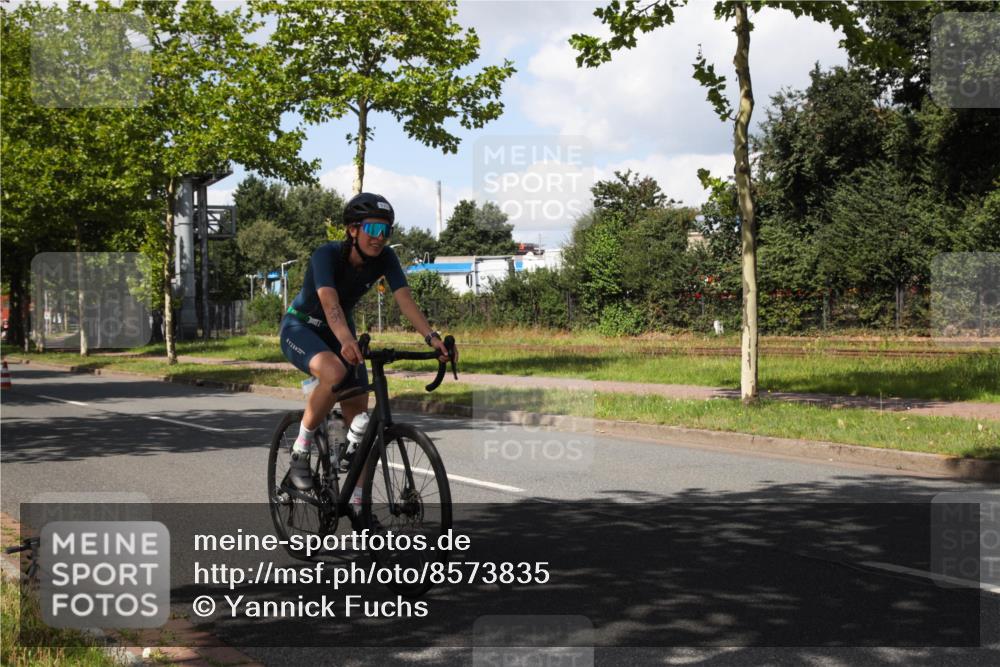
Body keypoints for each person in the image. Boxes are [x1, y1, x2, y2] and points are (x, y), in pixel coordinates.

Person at [279, 192, 456, 508]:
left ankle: (359, 504)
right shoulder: (326, 255)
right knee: (334, 372)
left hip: (339, 332)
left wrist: (433, 338)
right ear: (352, 229)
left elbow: (404, 299)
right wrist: (346, 340)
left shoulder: (386, 258)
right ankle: (301, 448)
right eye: (373, 230)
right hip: (301, 327)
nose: (380, 238)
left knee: (360, 416)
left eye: (386, 231)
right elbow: (329, 303)